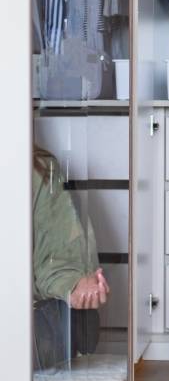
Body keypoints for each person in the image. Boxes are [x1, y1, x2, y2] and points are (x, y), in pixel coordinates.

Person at [33, 148, 109, 369]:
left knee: (73, 324)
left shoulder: (39, 169)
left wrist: (72, 285)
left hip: (23, 308)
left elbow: (54, 256)